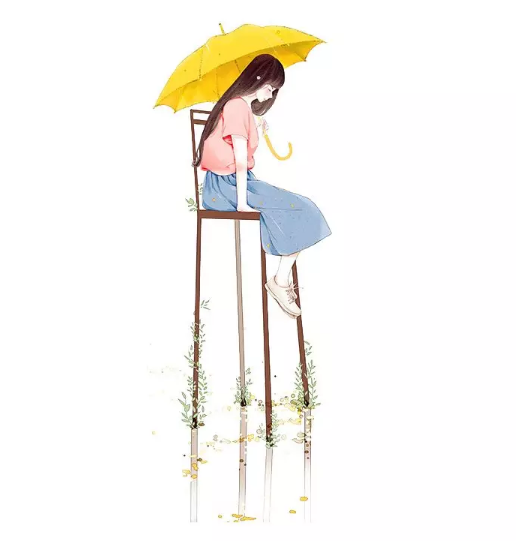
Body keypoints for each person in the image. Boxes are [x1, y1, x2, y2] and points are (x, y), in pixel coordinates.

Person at [192, 54, 331, 318]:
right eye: (270, 87)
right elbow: (240, 160)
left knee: (302, 209)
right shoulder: (236, 107)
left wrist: (255, 127)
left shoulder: (240, 108)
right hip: (227, 188)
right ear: (257, 79)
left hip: (233, 184)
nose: (270, 94)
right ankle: (279, 281)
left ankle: (280, 279)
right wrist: (243, 203)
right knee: (304, 210)